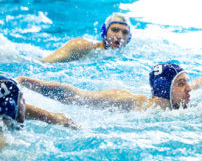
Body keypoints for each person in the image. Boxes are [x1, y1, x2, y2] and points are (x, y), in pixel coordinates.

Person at [16, 62, 191, 112]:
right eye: (181, 83)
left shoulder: (192, 110)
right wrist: (26, 82)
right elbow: (75, 95)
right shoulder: (131, 102)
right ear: (163, 87)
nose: (189, 89)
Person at [41, 13, 132, 63]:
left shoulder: (127, 54)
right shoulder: (83, 45)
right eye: (115, 30)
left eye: (125, 32)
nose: (120, 36)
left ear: (129, 37)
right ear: (104, 32)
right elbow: (44, 63)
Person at [0, 75, 78, 132]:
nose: (24, 100)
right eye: (21, 97)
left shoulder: (8, 107)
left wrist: (54, 117)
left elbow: (19, 80)